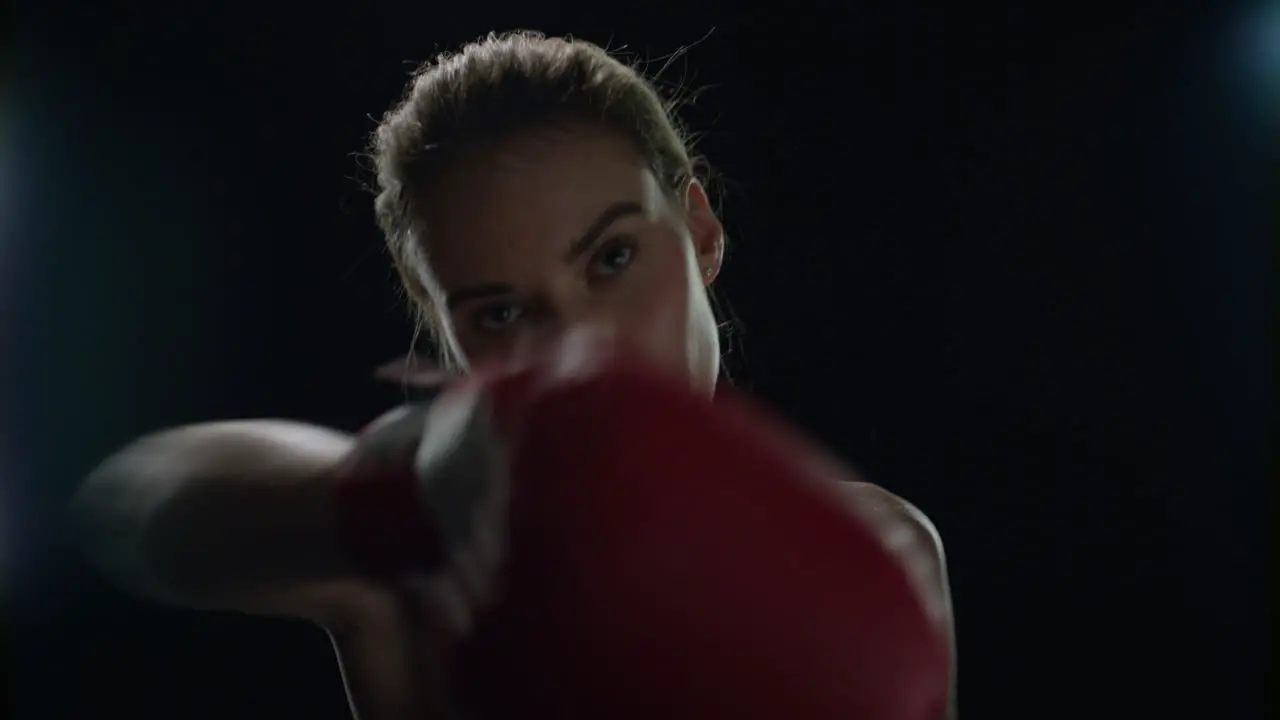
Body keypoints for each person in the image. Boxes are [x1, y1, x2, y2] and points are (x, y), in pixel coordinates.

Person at [72, 31, 956, 719]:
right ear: (443, 327)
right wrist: (393, 494)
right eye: (500, 313)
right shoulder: (418, 568)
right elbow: (136, 505)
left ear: (699, 232)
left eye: (612, 257)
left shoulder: (884, 544)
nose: (580, 347)